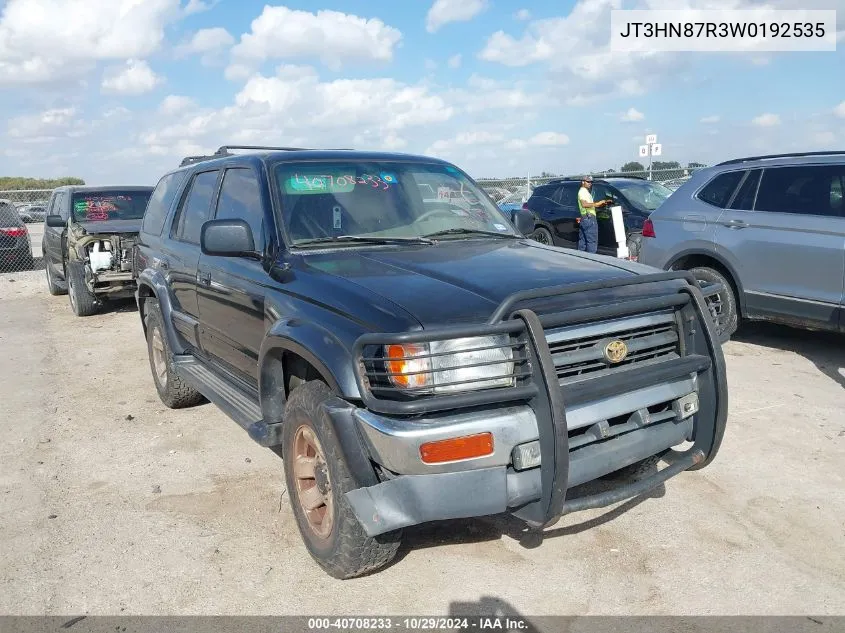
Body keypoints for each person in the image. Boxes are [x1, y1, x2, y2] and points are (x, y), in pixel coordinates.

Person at [577, 175, 609, 253]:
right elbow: (584, 204)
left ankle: (580, 260)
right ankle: (592, 262)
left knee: (583, 243)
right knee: (592, 243)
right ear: (583, 182)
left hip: (585, 218)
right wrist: (597, 204)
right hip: (589, 218)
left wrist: (602, 204)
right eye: (588, 182)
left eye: (591, 182)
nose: (590, 183)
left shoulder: (586, 192)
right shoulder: (583, 192)